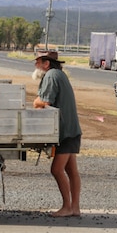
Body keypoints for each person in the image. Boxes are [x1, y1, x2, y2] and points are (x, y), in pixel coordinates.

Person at [32, 50, 82, 217]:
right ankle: (75, 208)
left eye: (38, 61)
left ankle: (67, 207)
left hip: (65, 131)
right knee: (71, 171)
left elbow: (45, 101)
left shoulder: (51, 75)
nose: (35, 65)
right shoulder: (59, 74)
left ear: (46, 63)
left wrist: (35, 101)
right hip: (71, 130)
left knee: (56, 169)